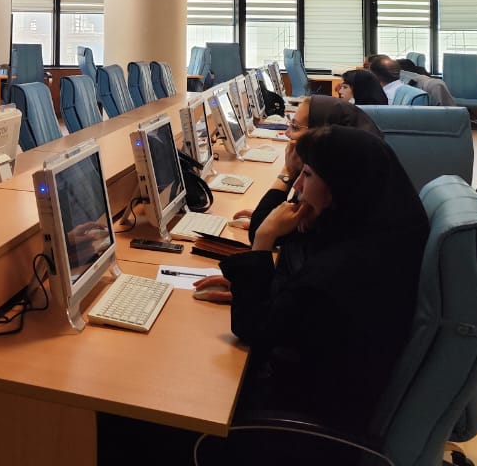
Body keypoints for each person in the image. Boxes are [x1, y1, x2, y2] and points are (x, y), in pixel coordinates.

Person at [99, 125, 429, 463]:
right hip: (313, 402)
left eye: (308, 175)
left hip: (292, 437)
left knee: (117, 416)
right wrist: (253, 285)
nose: (297, 186)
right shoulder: (373, 238)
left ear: (341, 188)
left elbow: (252, 327)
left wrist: (263, 240)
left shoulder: (339, 272)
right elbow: (297, 312)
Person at [234, 95, 383, 238]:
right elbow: (269, 226)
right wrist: (269, 215)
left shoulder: (331, 199)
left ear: (320, 133)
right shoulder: (341, 184)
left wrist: (288, 171)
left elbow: (259, 232)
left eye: (295, 127)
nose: (287, 133)